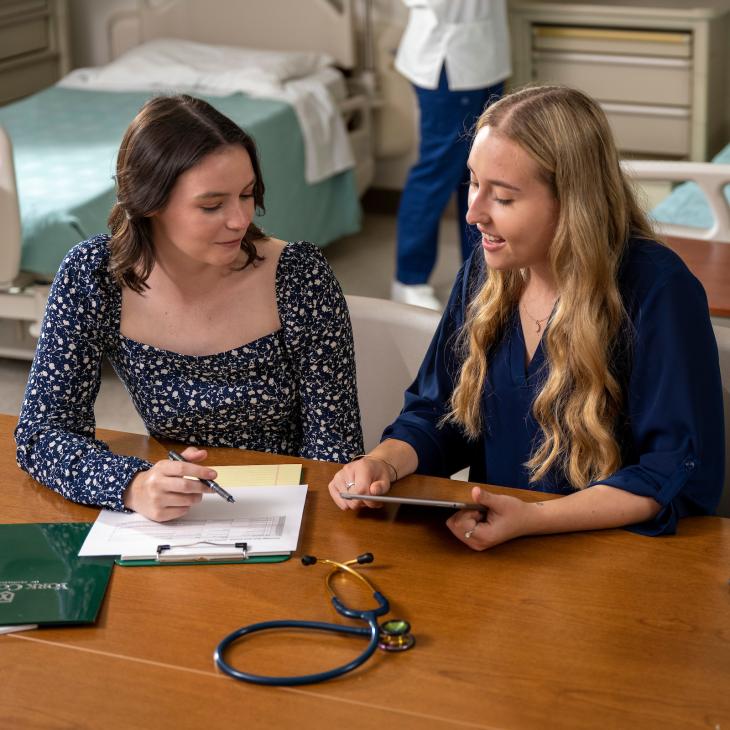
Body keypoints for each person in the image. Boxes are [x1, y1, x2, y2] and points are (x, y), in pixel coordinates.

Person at [328, 85, 724, 548]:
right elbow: (441, 413)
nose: (473, 213)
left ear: (572, 202)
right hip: (503, 543)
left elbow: (671, 470)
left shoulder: (657, 291)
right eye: (474, 182)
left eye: (504, 198)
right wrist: (384, 462)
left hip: (608, 555)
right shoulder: (489, 269)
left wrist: (533, 519)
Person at [16, 94, 363, 522]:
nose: (239, 220)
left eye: (247, 194)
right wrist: (133, 484)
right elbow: (41, 433)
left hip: (292, 511)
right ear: (150, 203)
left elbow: (334, 453)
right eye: (211, 205)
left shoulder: (298, 276)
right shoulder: (94, 276)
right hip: (179, 514)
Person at [391, 0, 511, 310]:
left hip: (485, 51)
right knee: (437, 171)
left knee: (478, 172)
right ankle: (409, 279)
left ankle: (479, 274)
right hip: (449, 57)